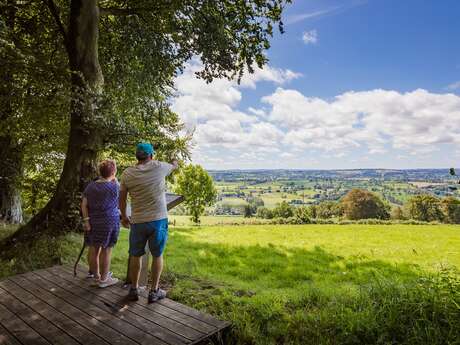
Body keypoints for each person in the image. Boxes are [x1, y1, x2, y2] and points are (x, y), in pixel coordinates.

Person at [119, 143, 178, 303]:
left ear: (137, 156)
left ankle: (134, 289)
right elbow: (174, 166)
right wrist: (174, 158)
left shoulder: (127, 173)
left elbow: (122, 198)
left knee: (136, 255)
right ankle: (154, 291)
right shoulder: (159, 167)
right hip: (158, 220)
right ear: (151, 155)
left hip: (137, 221)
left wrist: (124, 217)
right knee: (157, 255)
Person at [81, 159, 120, 288]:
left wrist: (86, 221)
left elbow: (84, 205)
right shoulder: (115, 186)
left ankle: (96, 276)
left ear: (100, 172)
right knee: (106, 249)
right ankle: (104, 280)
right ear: (113, 172)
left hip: (93, 221)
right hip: (109, 222)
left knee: (93, 248)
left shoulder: (91, 186)